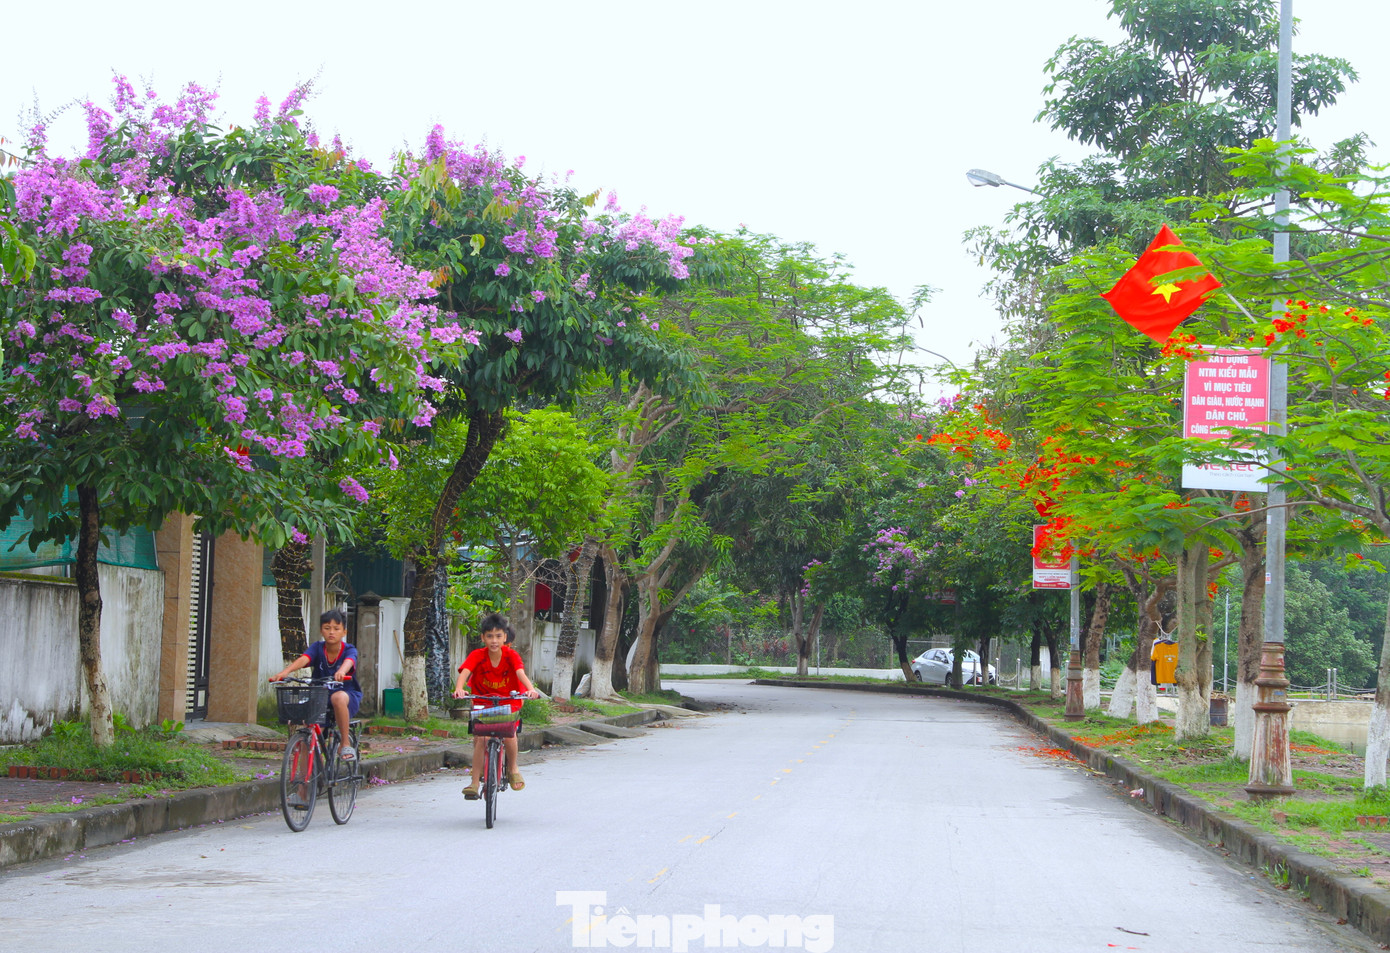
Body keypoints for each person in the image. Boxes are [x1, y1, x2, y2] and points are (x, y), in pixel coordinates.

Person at [452, 613, 540, 798]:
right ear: (483, 637)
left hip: (510, 700)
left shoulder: (511, 655)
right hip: (483, 701)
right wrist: (459, 689)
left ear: (505, 637)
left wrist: (531, 690)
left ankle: (513, 768)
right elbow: (465, 673)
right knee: (481, 738)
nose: (494, 640)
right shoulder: (477, 655)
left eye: (498, 636)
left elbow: (520, 673)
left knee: (509, 734)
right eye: (490, 636)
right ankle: (474, 783)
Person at [269, 608, 363, 761]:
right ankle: (305, 783)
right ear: (321, 630)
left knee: (338, 698)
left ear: (344, 632)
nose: (331, 632)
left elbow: (349, 661)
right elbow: (305, 659)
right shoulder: (317, 648)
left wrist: (341, 671)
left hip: (346, 694)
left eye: (336, 629)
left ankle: (345, 743)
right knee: (308, 739)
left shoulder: (349, 649)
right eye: (327, 628)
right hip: (320, 696)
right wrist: (285, 672)